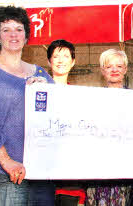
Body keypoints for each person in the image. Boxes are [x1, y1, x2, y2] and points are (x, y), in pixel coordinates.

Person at [0, 6, 55, 206]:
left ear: (26, 37)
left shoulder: (41, 74)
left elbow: (58, 115)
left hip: (38, 173)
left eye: (19, 29)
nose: (13, 34)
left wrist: (49, 94)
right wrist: (6, 161)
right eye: (6, 29)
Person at [86, 49, 133, 206]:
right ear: (102, 71)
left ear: (125, 69)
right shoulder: (90, 100)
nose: (114, 70)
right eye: (109, 66)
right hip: (98, 169)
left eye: (119, 66)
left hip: (126, 169)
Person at [47, 39, 86, 206]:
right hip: (42, 176)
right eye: (56, 56)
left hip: (70, 178)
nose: (61, 60)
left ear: (73, 62)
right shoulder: (37, 91)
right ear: (49, 61)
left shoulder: (80, 97)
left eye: (65, 56)